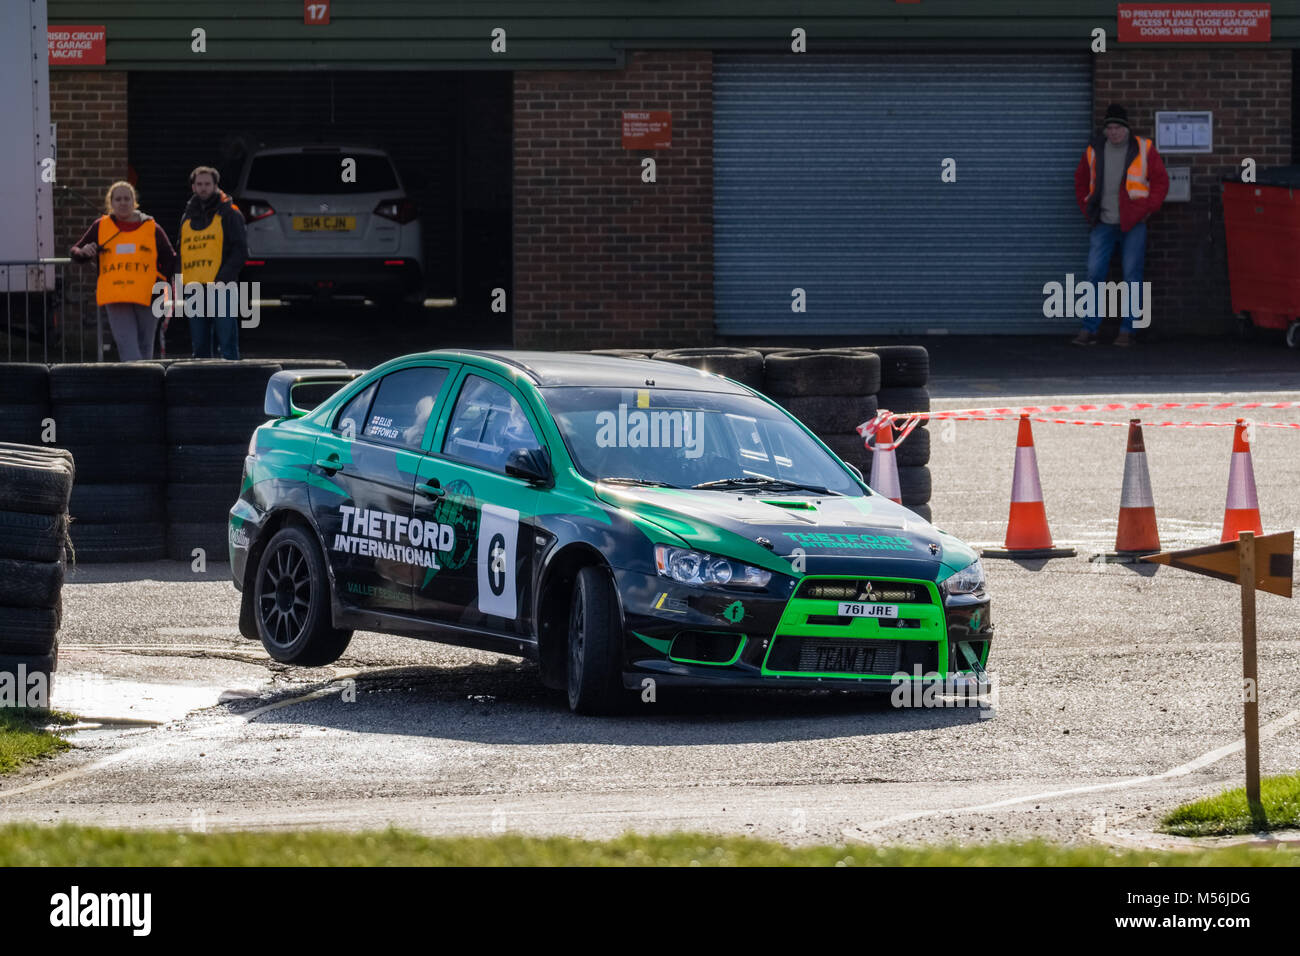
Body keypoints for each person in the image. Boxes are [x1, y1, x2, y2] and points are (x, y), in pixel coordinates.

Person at [1071, 104, 1169, 347]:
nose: (1113, 132)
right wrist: (1088, 210)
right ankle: (1089, 328)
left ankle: (1128, 329)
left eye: (1118, 127)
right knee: (1094, 274)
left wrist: (1147, 208)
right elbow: (1080, 181)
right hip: (1103, 222)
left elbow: (1161, 181)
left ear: (1126, 128)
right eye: (1110, 128)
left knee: (1131, 276)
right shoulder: (1094, 150)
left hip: (1133, 223)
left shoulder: (1143, 149)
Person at [69, 181, 176, 361]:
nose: (123, 202)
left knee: (145, 345)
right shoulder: (100, 226)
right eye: (118, 199)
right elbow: (76, 252)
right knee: (128, 346)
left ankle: (146, 385)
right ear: (111, 203)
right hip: (117, 296)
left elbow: (170, 258)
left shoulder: (151, 226)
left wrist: (160, 281)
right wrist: (84, 251)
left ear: (134, 202)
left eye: (127, 198)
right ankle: (137, 385)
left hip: (147, 296)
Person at [178, 165, 247, 359]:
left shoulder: (230, 213)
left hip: (222, 288)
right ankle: (202, 386)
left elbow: (241, 251)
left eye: (207, 184)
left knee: (227, 346)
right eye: (199, 184)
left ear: (216, 186)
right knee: (199, 347)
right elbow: (181, 251)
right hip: (194, 288)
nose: (203, 188)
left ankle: (231, 384)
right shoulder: (187, 216)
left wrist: (222, 278)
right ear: (193, 187)